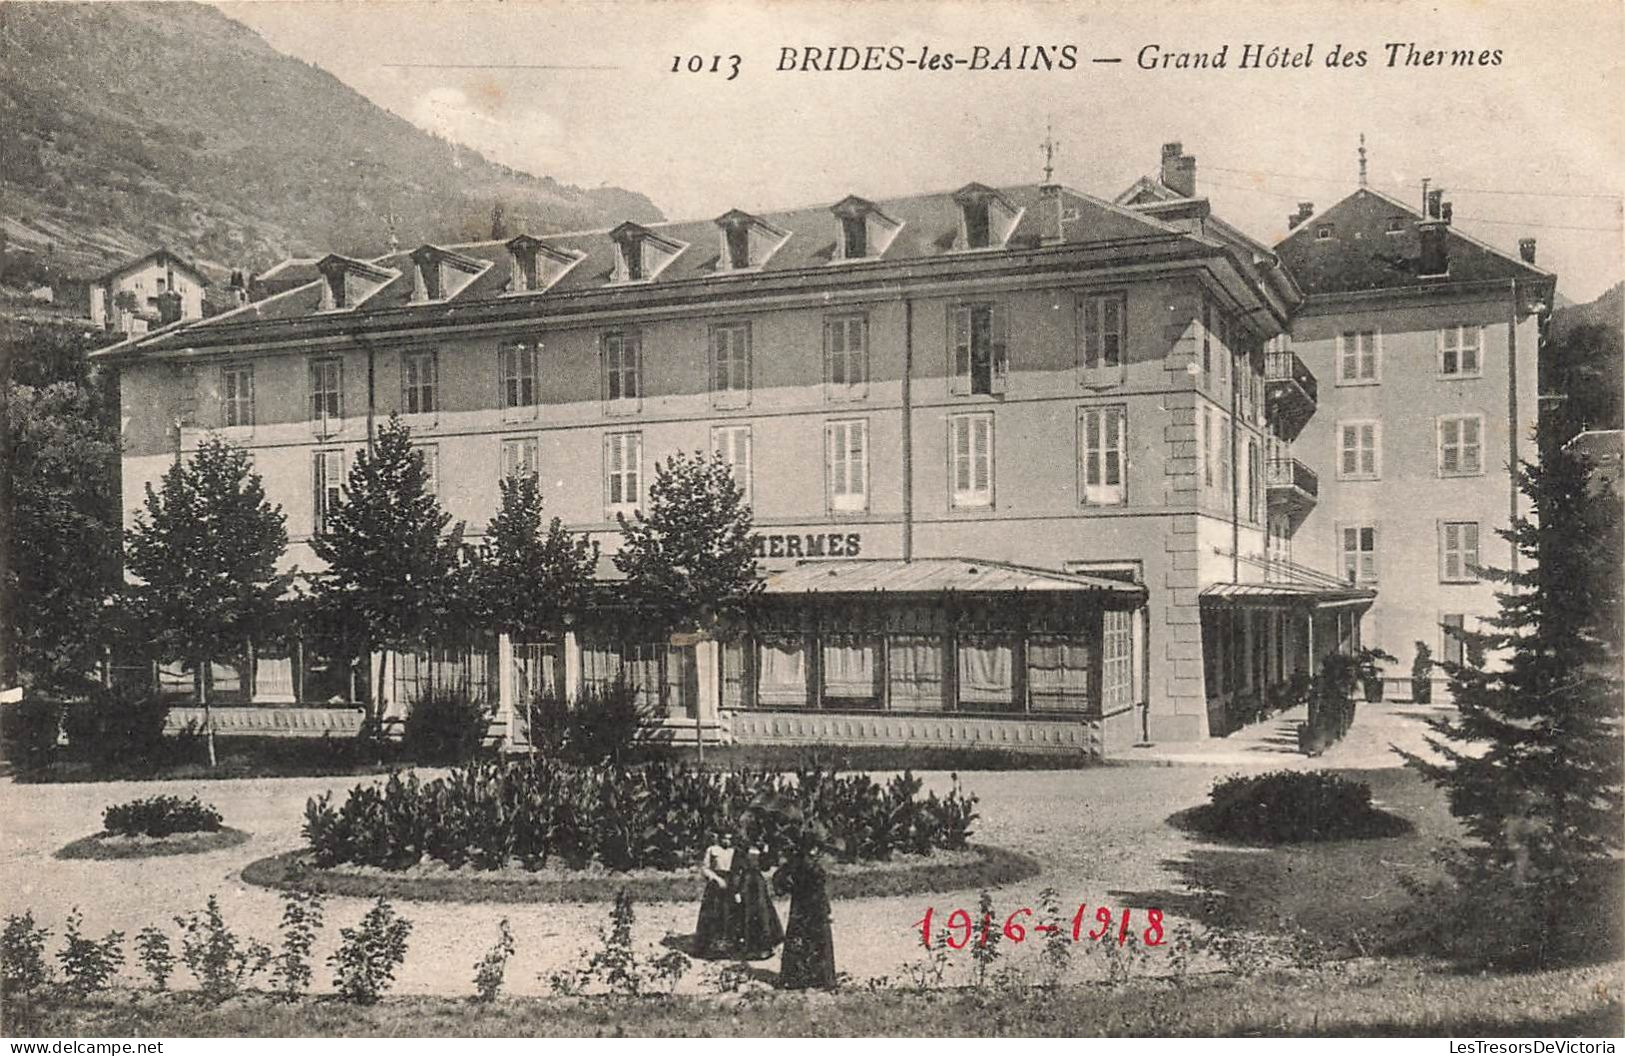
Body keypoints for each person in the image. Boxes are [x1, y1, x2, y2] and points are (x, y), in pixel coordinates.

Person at [773, 839, 836, 989]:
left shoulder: (795, 862)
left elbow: (778, 878)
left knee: (799, 939)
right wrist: (827, 911)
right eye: (815, 849)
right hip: (814, 907)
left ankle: (795, 978)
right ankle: (819, 979)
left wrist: (790, 888)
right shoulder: (812, 865)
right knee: (818, 940)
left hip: (799, 907)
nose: (817, 852)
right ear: (811, 849)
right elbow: (820, 892)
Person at [729, 845, 784, 961]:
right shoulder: (741, 850)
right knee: (747, 914)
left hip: (758, 884)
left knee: (762, 913)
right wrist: (736, 891)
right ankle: (749, 948)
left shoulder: (761, 847)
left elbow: (766, 867)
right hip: (746, 884)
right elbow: (735, 871)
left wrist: (766, 853)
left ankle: (764, 947)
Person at [693, 830, 736, 958]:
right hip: (715, 883)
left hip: (730, 882)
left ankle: (728, 946)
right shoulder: (712, 850)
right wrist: (716, 879)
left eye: (729, 839)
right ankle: (709, 947)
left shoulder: (734, 851)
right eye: (724, 838)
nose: (727, 841)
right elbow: (705, 868)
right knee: (712, 912)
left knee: (728, 912)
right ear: (719, 838)